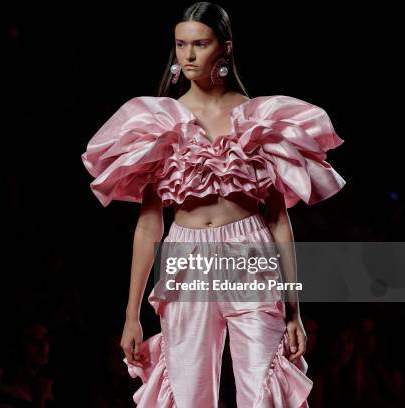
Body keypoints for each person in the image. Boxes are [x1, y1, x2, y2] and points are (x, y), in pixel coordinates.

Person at [80, 2, 346, 407]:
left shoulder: (259, 117)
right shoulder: (159, 120)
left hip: (249, 253)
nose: (187, 55)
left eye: (200, 44)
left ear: (225, 48)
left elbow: (278, 220)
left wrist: (294, 310)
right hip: (186, 258)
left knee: (266, 393)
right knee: (188, 397)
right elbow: (149, 223)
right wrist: (131, 314)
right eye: (180, 44)